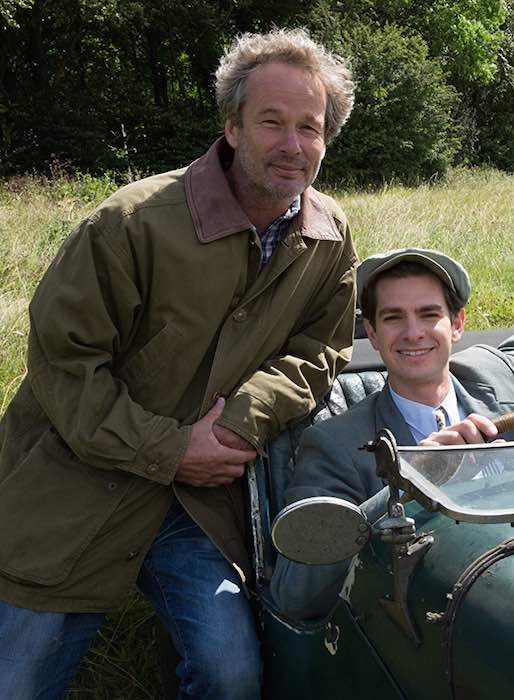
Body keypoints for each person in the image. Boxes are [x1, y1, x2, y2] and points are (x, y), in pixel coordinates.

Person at [0, 28, 358, 698]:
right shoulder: (130, 223)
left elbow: (320, 350)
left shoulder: (327, 236)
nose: (292, 145)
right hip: (74, 486)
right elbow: (63, 367)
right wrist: (168, 448)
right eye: (270, 122)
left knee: (232, 677)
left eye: (309, 127)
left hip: (197, 506)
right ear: (231, 127)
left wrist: (237, 426)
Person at [269, 247, 514, 621]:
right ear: (371, 332)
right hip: (437, 623)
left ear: (457, 323)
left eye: (429, 314)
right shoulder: (336, 444)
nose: (413, 332)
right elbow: (293, 594)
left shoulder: (495, 377)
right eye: (393, 318)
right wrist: (412, 484)